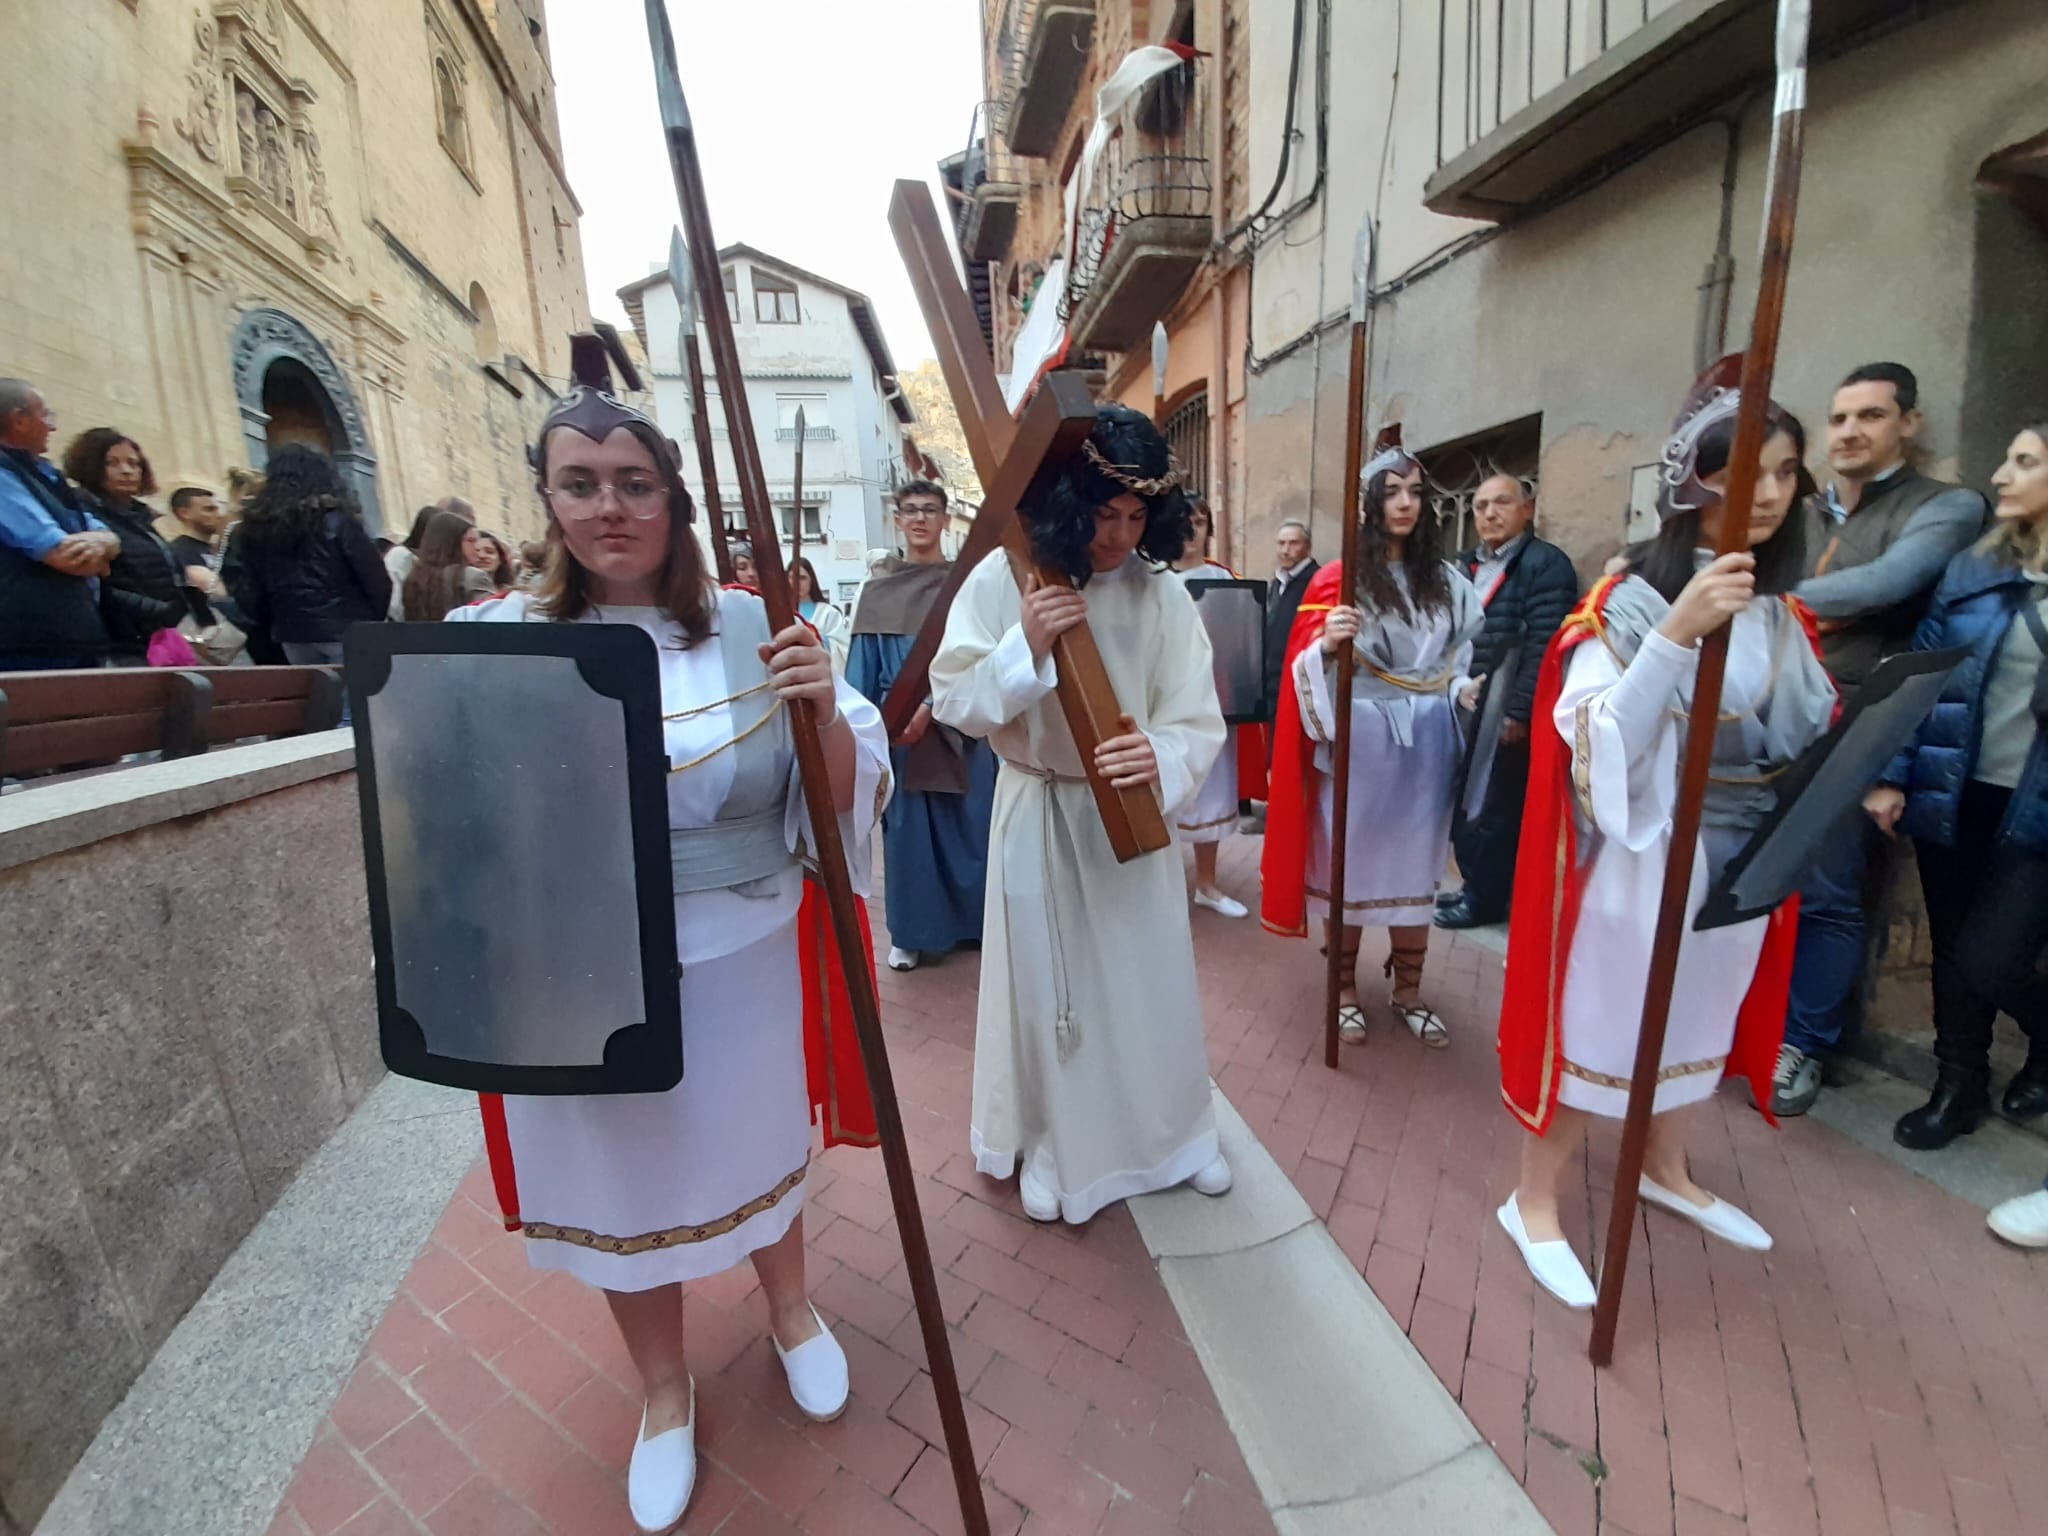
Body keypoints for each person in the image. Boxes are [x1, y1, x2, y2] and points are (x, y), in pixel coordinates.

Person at [451, 348, 888, 1532]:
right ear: (546, 498)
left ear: (673, 499)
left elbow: (844, 795)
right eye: (581, 481)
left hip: (739, 953)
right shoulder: (494, 637)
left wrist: (814, 705)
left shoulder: (756, 626)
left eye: (635, 482)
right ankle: (660, 1391)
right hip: (578, 978)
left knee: (753, 1149)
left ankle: (790, 1310)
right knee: (621, 1186)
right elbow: (449, 812)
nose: (609, 506)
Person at [1497, 373, 1836, 1309]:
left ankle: (1665, 1167)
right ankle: (1533, 1201)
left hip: (1738, 864)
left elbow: (1805, 733)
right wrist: (1678, 633)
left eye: (1785, 473)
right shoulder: (1628, 601)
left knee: (1697, 1023)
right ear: (1696, 482)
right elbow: (1595, 738)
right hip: (1643, 860)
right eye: (1745, 472)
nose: (1767, 493)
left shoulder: (1779, 613)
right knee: (1602, 1030)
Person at [930, 403, 1231, 1223]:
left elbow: (1194, 715)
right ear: (1070, 503)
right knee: (1052, 992)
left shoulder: (1161, 594)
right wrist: (1022, 644)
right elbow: (953, 697)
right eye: (1104, 515)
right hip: (1042, 808)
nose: (1119, 538)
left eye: (1137, 518)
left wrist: (1161, 757)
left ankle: (1178, 1138)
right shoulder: (1009, 576)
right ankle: (1058, 1150)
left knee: (1150, 983)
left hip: (1130, 815)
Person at [1774, 363, 1988, 1116]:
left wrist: (1761, 601)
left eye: (1870, 415)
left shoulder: (1946, 506)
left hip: (1855, 722)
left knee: (1827, 889)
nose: (1850, 432)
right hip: (1769, 713)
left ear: (1909, 424)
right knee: (1744, 869)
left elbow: (1888, 584)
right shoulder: (1803, 512)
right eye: (1838, 419)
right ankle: (1748, 1023)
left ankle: (1804, 1044)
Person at [1864, 421, 2048, 1149]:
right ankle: (1958, 1084)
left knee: (1993, 958)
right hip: (1959, 788)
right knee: (1951, 949)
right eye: (2006, 457)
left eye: (2026, 462)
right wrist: (1889, 774)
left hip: (2036, 810)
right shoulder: (1973, 571)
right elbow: (1925, 679)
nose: (2002, 474)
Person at [1262, 451, 1484, 1047]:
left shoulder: (1449, 583)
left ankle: (1408, 991)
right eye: (1391, 493)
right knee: (1350, 870)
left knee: (1418, 869)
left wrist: (1464, 691)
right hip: (1361, 745)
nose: (1405, 503)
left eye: (1414, 491)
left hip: (1428, 745)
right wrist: (1328, 647)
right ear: (1370, 505)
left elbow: (1453, 663)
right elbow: (1302, 669)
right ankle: (1343, 990)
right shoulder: (1341, 579)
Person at [846, 480, 997, 972]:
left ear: (945, 519)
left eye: (929, 510)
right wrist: (870, 730)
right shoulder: (877, 590)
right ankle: (912, 934)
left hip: (962, 726)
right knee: (909, 836)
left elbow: (983, 655)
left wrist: (935, 704)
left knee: (972, 827)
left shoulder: (968, 584)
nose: (919, 519)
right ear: (897, 519)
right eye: (909, 510)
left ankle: (974, 927)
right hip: (901, 735)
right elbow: (861, 671)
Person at [1437, 474, 1579, 929]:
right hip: (1463, 700)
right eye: (1480, 506)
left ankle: (1485, 900)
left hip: (1505, 703)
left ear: (1528, 510)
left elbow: (1544, 644)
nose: (1490, 514)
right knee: (1463, 799)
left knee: (1494, 802)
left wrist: (1520, 711)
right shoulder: (1464, 566)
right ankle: (1471, 887)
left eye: (1501, 503)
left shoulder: (1544, 564)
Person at [1171, 498, 1263, 918]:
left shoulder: (1224, 579)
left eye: (1199, 520)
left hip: (1213, 699)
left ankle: (1206, 885)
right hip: (1162, 703)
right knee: (1162, 792)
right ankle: (1161, 886)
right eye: (1184, 520)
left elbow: (1242, 643)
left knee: (1211, 791)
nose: (1191, 529)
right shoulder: (1148, 576)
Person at [226, 443, 391, 667]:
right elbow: (374, 577)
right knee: (359, 697)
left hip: (292, 632)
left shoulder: (255, 527)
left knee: (319, 693)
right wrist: (371, 619)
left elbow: (253, 588)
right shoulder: (337, 519)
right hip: (346, 627)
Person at [64, 428, 212, 666]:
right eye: (113, 463)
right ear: (91, 465)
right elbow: (98, 585)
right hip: (122, 643)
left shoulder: (140, 517)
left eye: (134, 463)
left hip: (163, 634)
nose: (127, 470)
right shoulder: (80, 513)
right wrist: (155, 611)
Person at [0, 377, 117, 669]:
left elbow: (105, 534)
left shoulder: (46, 475)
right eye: (45, 415)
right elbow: (68, 557)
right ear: (19, 420)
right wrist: (100, 553)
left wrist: (104, 543)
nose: (52, 426)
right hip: (28, 650)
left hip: (73, 640)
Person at [1263, 519, 1318, 754]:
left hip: (1297, 680)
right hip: (1272, 680)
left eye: (1293, 543)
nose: (1285, 550)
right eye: (1281, 543)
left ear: (1307, 546)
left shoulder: (1316, 580)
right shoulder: (1276, 583)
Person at [402, 510, 496, 621]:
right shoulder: (473, 576)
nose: (476, 547)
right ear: (452, 541)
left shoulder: (413, 577)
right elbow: (493, 619)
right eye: (471, 540)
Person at [791, 554, 848, 670]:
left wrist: (819, 640)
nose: (797, 582)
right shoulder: (781, 613)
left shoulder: (828, 613)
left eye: (802, 577)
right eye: (792, 577)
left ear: (811, 580)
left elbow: (843, 647)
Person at [469, 527, 517, 596]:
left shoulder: (512, 594)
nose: (482, 556)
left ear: (500, 559)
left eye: (489, 552)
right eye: (476, 551)